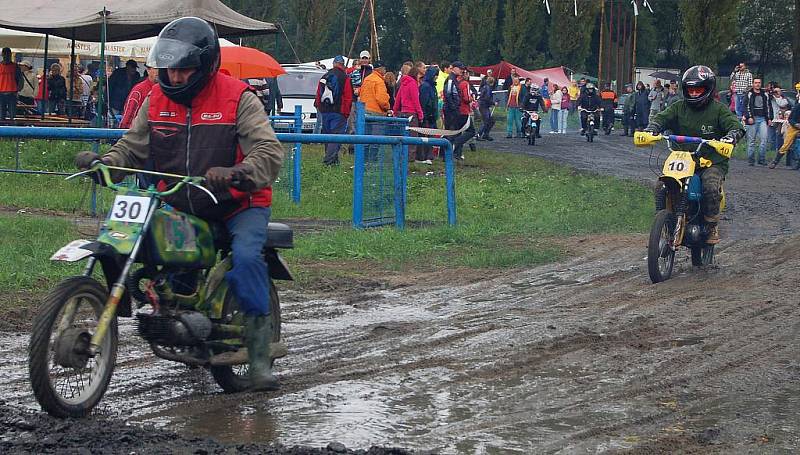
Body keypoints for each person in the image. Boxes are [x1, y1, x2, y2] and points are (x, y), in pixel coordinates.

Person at [74, 17, 285, 391]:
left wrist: (237, 172)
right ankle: (172, 309)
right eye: (168, 70)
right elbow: (132, 147)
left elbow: (269, 152)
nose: (173, 78)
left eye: (183, 70)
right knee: (155, 252)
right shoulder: (156, 99)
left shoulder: (239, 98)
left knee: (248, 259)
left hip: (238, 203)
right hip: (180, 200)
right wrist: (106, 164)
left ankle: (257, 353)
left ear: (205, 65)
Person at [645, 65, 745, 244]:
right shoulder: (678, 107)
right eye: (690, 90)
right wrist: (652, 128)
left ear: (707, 89)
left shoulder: (718, 109)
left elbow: (735, 126)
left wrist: (732, 136)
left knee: (710, 185)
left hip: (711, 161)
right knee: (660, 185)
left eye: (698, 89)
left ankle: (711, 224)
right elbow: (662, 117)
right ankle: (662, 221)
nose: (694, 93)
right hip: (682, 158)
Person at [315, 55, 353, 165]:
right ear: (343, 64)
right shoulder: (345, 78)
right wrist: (345, 113)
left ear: (333, 63)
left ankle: (333, 161)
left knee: (328, 136)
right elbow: (348, 97)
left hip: (325, 111)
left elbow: (318, 94)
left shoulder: (325, 76)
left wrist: (321, 108)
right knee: (335, 137)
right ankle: (328, 162)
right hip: (339, 112)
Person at [442, 61, 473, 160]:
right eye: (460, 68)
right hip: (454, 110)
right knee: (455, 132)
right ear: (453, 68)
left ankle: (453, 153)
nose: (461, 70)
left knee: (455, 132)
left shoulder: (455, 80)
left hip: (455, 110)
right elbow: (448, 94)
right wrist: (454, 108)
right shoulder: (451, 79)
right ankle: (449, 151)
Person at [769, 82, 800, 169]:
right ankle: (775, 161)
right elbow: (790, 119)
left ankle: (797, 163)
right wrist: (796, 125)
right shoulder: (797, 105)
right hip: (794, 126)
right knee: (786, 144)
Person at [743, 78, 773, 166]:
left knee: (764, 139)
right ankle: (751, 160)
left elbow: (768, 107)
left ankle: (761, 159)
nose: (757, 84)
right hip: (753, 119)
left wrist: (769, 118)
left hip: (763, 119)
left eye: (759, 83)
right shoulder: (749, 94)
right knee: (751, 140)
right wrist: (749, 117)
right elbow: (745, 106)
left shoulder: (765, 94)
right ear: (753, 84)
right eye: (756, 83)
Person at [119, 64, 158, 129]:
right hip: (139, 135)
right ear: (148, 70)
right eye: (156, 68)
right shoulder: (139, 90)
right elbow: (128, 117)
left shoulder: (167, 90)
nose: (159, 71)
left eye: (163, 69)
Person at [419, 65, 440, 158]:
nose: (437, 77)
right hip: (427, 116)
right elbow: (424, 102)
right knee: (426, 137)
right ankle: (425, 156)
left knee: (430, 136)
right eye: (436, 75)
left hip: (432, 116)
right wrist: (426, 115)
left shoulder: (431, 86)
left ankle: (429, 155)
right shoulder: (426, 86)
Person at [768, 87, 791, 168]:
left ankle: (789, 162)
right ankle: (775, 158)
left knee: (787, 141)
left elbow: (783, 104)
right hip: (775, 120)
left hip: (784, 123)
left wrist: (778, 96)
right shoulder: (770, 98)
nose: (776, 92)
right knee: (776, 139)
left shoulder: (783, 99)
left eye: (778, 91)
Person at [0, 48, 22, 120]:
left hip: (12, 93)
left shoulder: (16, 66)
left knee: (13, 115)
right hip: (1, 93)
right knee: (1, 115)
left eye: (8, 54)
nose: (6, 56)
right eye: (5, 54)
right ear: (2, 55)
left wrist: (17, 90)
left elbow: (20, 80)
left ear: (10, 55)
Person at [476, 75, 496, 140]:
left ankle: (486, 134)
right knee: (486, 121)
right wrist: (493, 103)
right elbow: (487, 98)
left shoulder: (485, 87)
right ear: (492, 82)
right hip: (484, 106)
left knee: (491, 120)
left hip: (483, 106)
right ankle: (479, 134)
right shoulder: (488, 88)